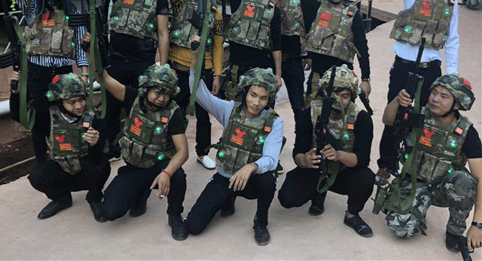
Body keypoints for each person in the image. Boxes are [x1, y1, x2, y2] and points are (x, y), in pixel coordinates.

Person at [376, 0, 460, 184]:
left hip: (430, 69)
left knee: (426, 119)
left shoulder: (451, 4)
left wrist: (453, 76)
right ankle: (385, 164)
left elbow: (453, 40)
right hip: (403, 67)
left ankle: (414, 169)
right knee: (395, 115)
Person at [184, 37, 284, 246]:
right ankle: (228, 198)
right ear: (245, 92)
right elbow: (199, 93)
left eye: (263, 98)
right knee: (193, 226)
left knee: (269, 180)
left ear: (269, 99)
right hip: (225, 176)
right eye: (253, 95)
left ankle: (261, 222)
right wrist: (195, 59)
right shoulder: (229, 110)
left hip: (252, 180)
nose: (256, 102)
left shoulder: (274, 122)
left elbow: (271, 159)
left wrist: (252, 167)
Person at [97, 0, 170, 160]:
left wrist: (162, 66)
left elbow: (163, 33)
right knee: (110, 109)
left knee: (139, 109)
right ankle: (113, 147)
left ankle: (138, 147)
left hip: (142, 62)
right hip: (116, 60)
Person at [379, 74, 482, 254]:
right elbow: (388, 120)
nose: (435, 99)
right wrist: (397, 100)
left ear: (457, 104)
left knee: (466, 182)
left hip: (444, 188)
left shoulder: (466, 132)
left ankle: (455, 230)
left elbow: (481, 178)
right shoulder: (418, 115)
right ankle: (418, 208)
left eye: (444, 96)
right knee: (400, 229)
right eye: (434, 93)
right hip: (414, 183)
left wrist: (477, 224)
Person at [278, 65, 375, 237]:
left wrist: (339, 155)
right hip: (315, 169)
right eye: (333, 94)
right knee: (287, 198)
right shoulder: (309, 114)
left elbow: (363, 158)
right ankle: (318, 194)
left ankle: (352, 214)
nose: (338, 100)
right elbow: (298, 152)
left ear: (352, 96)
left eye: (345, 96)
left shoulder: (361, 118)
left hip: (343, 172)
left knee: (366, 178)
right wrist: (304, 160)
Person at [97, 63, 189, 241]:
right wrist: (90, 54)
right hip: (134, 166)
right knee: (109, 211)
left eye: (167, 94)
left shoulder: (173, 112)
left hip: (158, 166)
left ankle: (175, 214)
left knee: (178, 176)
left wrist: (167, 172)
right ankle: (141, 193)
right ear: (146, 88)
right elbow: (104, 78)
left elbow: (183, 151)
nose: (162, 98)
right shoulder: (133, 97)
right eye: (158, 92)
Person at [14, 0, 89, 163]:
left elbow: (80, 47)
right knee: (39, 120)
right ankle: (41, 162)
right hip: (37, 72)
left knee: (65, 118)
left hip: (63, 73)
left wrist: (84, 74)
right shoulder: (32, 7)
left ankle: (65, 158)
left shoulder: (72, 11)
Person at [9, 72, 110, 221]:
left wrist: (95, 144)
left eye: (81, 100)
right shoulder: (48, 117)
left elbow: (97, 159)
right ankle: (62, 199)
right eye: (72, 102)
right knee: (37, 176)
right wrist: (15, 93)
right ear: (60, 102)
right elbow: (19, 116)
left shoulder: (94, 118)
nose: (78, 106)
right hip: (63, 168)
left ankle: (94, 198)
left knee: (103, 166)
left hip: (86, 169)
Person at [165, 0, 224, 170]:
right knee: (173, 111)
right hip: (178, 66)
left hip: (203, 69)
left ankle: (203, 152)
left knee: (203, 114)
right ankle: (170, 149)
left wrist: (217, 74)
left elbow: (218, 45)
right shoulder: (180, 2)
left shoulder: (216, 13)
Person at [298, 0, 371, 106]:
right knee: (311, 111)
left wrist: (366, 78)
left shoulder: (354, 15)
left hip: (343, 77)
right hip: (318, 75)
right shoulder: (316, 8)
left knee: (340, 114)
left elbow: (362, 48)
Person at [270, 0, 314, 123]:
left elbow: (309, 26)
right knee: (265, 104)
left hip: (295, 58)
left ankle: (301, 139)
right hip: (270, 56)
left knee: (298, 105)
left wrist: (308, 53)